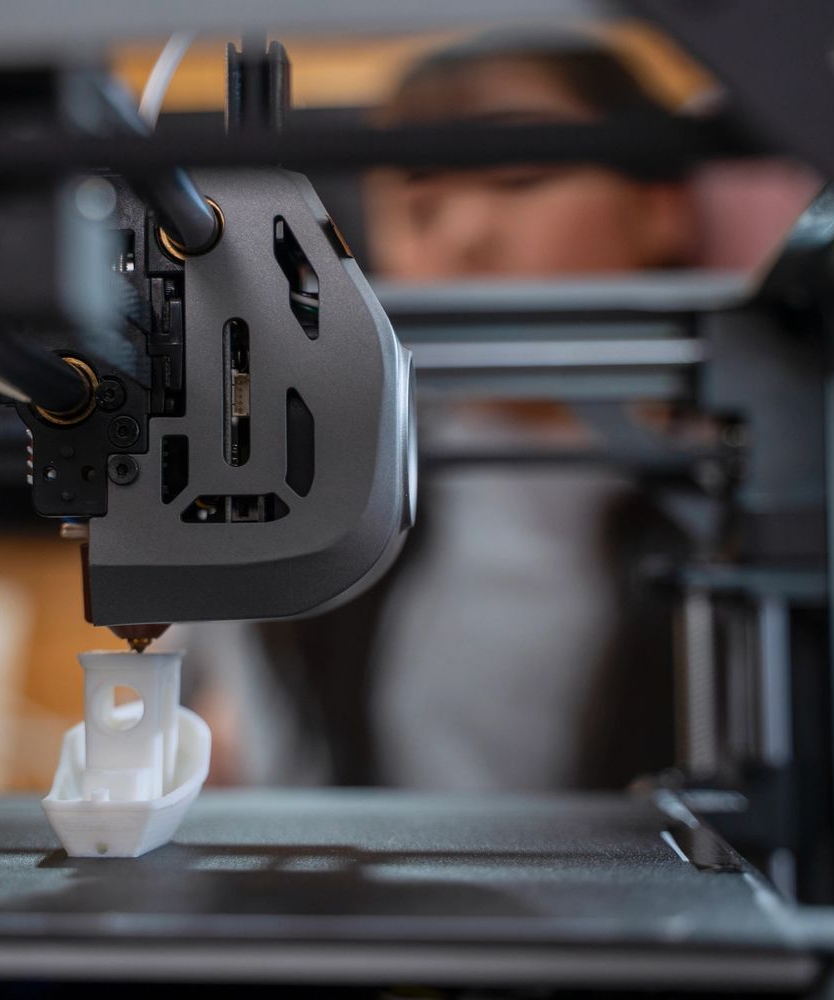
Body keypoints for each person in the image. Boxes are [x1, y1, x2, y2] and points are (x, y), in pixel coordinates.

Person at [174, 33, 699, 791]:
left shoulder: (753, 497)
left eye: (522, 179)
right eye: (421, 207)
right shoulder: (316, 503)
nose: (466, 234)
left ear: (661, 206)